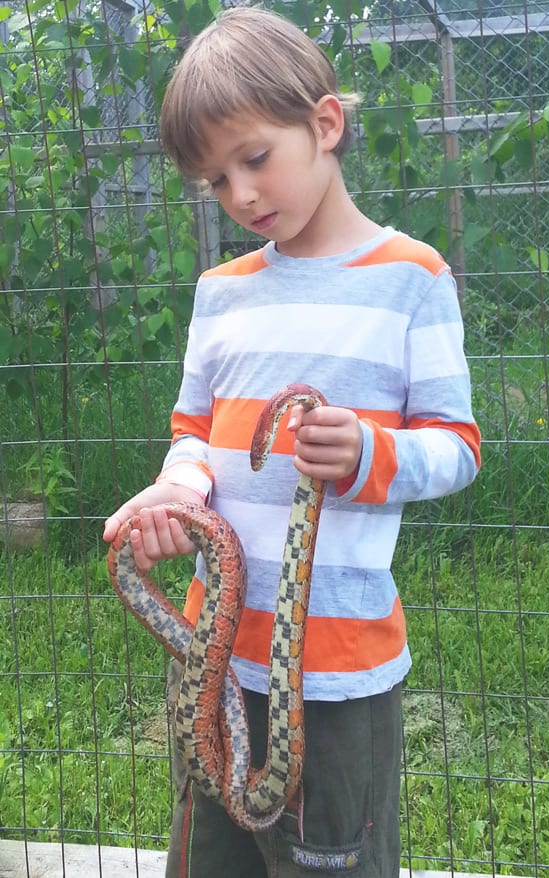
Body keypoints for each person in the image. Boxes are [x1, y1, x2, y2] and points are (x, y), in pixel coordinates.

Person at [103, 7, 481, 877]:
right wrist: (177, 496)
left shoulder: (411, 280)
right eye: (215, 180)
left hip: (337, 673)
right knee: (211, 857)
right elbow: (193, 434)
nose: (239, 196)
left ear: (324, 125)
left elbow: (456, 447)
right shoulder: (221, 292)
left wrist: (368, 457)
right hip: (213, 655)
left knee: (329, 860)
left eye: (255, 159)